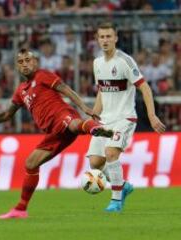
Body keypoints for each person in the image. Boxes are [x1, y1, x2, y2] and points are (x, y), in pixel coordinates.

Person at [0, 48, 114, 219]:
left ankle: (94, 129)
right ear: (17, 66)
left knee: (73, 124)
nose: (25, 64)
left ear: (35, 62)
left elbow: (66, 90)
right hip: (52, 133)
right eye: (21, 62)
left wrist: (85, 108)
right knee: (30, 164)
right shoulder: (21, 90)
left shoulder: (43, 75)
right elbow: (7, 115)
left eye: (28, 60)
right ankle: (21, 209)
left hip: (62, 116)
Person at [87, 22, 166, 212]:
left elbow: (145, 87)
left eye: (108, 36)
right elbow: (102, 91)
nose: (105, 40)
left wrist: (152, 115)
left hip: (124, 117)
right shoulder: (97, 63)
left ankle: (116, 200)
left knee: (111, 153)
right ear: (97, 40)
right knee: (95, 163)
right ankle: (123, 184)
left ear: (116, 38)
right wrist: (94, 115)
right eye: (102, 37)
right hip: (105, 118)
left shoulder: (125, 61)